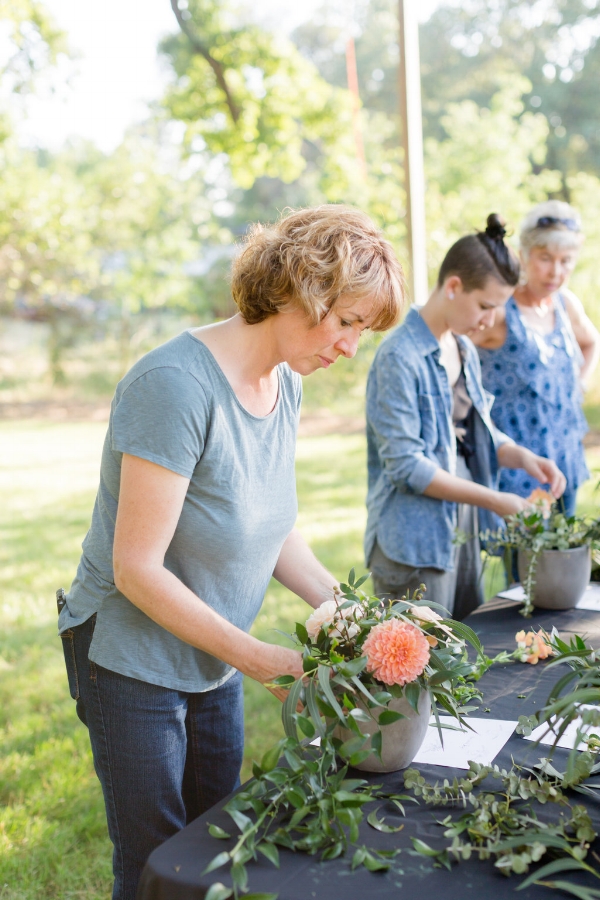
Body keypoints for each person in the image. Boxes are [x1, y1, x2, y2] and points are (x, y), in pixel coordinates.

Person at [57, 205, 405, 900]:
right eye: (346, 321)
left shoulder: (287, 383)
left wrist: (351, 613)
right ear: (296, 291)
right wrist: (260, 660)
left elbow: (271, 526)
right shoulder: (175, 387)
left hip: (212, 651)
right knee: (158, 864)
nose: (350, 348)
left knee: (220, 844)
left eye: (362, 331)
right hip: (128, 654)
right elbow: (136, 568)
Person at [365, 214, 566, 620]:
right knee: (415, 676)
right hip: (414, 545)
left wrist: (521, 455)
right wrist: (497, 500)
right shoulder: (397, 358)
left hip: (462, 531)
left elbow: (479, 431)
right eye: (486, 306)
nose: (490, 321)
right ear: (454, 286)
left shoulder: (464, 349)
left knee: (463, 664)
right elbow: (407, 467)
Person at [474, 201, 599, 516]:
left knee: (565, 557)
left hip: (563, 455)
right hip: (518, 466)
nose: (556, 271)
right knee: (524, 562)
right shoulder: (501, 309)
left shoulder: (565, 305)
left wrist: (580, 383)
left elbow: (591, 341)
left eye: (565, 261)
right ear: (524, 255)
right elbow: (454, 348)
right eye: (545, 258)